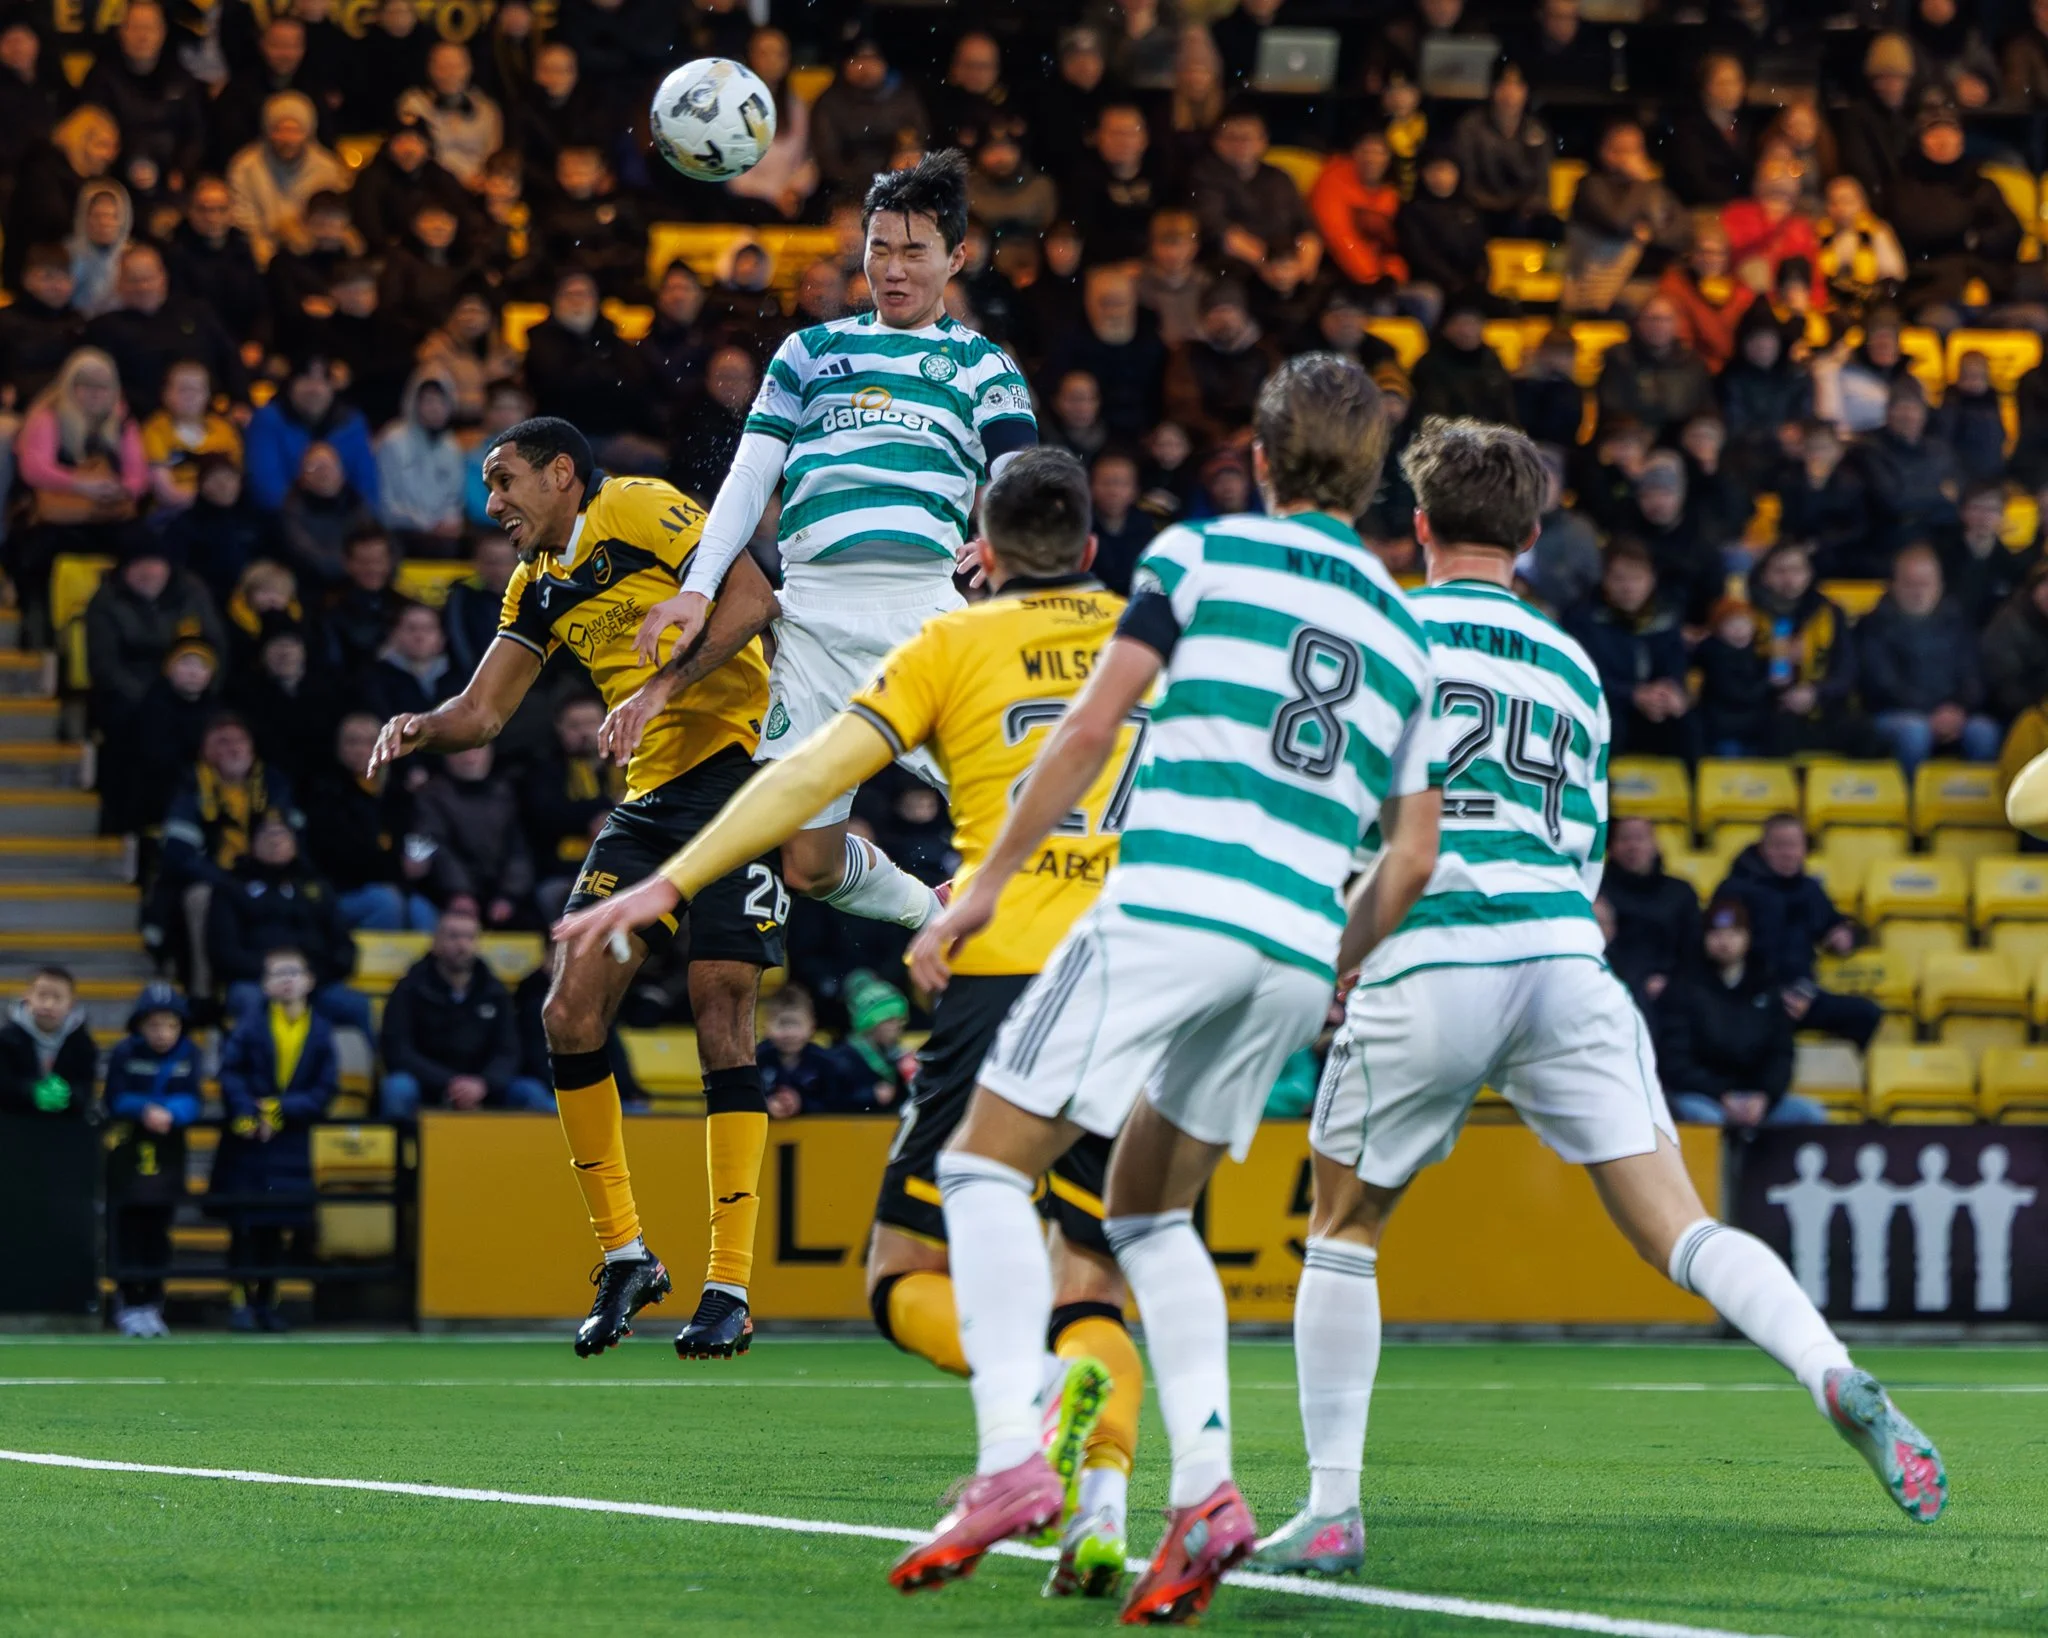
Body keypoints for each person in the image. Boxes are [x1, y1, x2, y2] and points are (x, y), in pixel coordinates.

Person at [1250, 418, 1944, 1584]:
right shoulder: (1574, 664)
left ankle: (1329, 1509)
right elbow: (1579, 855)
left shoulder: (1379, 631)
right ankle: (1826, 1365)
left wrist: (1328, 952)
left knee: (1342, 1232)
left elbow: (1336, 813)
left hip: (1431, 946)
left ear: (1416, 526)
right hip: (1565, 958)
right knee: (1682, 1229)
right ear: (1530, 535)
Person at [876, 355, 1431, 1617]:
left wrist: (981, 886)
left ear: (1260, 456)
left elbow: (1088, 729)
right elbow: (1411, 857)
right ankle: (1208, 1492)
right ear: (1371, 479)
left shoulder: (1197, 554)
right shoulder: (1406, 627)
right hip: (1292, 947)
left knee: (979, 1168)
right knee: (1143, 1217)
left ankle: (1010, 1459)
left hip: (1169, 908)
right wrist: (1330, 959)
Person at [554, 445, 1154, 1596]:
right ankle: (1103, 1512)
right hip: (1140, 979)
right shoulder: (1148, 644)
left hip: (1009, 973)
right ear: (1088, 547)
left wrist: (665, 882)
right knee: (1093, 1275)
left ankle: (1023, 1422)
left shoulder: (951, 643)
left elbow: (800, 783)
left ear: (980, 547)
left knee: (903, 1267)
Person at [366, 416, 783, 1362]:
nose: (493, 503)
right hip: (652, 803)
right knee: (567, 1010)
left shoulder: (634, 506)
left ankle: (729, 1285)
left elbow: (753, 597)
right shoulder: (535, 583)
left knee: (720, 1006)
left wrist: (659, 689)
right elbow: (483, 713)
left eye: (504, 480)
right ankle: (627, 1255)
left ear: (562, 473)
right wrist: (419, 726)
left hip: (748, 774)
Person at [633, 154, 1035, 950]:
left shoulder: (981, 362)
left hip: (921, 617)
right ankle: (933, 916)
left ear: (956, 257)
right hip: (811, 617)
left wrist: (1006, 532)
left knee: (1023, 807)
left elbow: (1019, 468)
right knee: (810, 867)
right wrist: (698, 587)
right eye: (880, 248)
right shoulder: (808, 351)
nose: (893, 268)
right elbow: (750, 474)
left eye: (914, 251)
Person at [209, 945, 338, 1332]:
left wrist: (279, 1110)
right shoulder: (248, 1026)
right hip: (247, 1139)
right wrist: (249, 1113)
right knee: (242, 1223)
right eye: (277, 974)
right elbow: (230, 1074)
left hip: (290, 1141)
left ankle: (267, 1302)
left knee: (276, 1225)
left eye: (293, 972)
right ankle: (239, 1301)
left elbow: (324, 1090)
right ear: (264, 985)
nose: (286, 980)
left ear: (309, 981)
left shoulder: (321, 1030)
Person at [1716, 813, 1884, 1052]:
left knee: (1866, 1014)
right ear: (1763, 848)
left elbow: (1837, 926)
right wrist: (1774, 995)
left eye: (1794, 845)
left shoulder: (1810, 889)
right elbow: (1718, 949)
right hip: (1750, 997)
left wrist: (1844, 936)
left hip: (1803, 994)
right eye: (1779, 846)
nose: (1788, 853)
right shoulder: (1734, 890)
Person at [1661, 899, 1829, 1129]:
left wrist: (1764, 1096)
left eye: (1734, 933)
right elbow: (1675, 1061)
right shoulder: (1683, 987)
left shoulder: (1766, 985)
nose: (1725, 941)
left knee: (1809, 1114)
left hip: (1757, 1098)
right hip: (1704, 1097)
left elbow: (1780, 1053)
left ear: (1748, 937)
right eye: (1716, 933)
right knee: (1707, 1119)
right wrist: (1722, 1095)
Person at [378, 905, 551, 1116]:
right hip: (428, 1084)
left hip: (484, 1087)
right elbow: (398, 1051)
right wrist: (450, 1082)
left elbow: (508, 1051)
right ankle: (403, 1138)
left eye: (469, 937)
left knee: (531, 1092)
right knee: (398, 1088)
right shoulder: (409, 989)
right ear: (435, 943)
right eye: (453, 937)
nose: (462, 945)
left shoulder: (495, 992)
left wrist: (484, 1083)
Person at [101, 981, 203, 1337]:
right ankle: (128, 1301)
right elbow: (114, 1097)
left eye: (170, 1025)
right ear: (140, 1025)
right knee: (126, 1229)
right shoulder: (125, 1053)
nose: (162, 1033)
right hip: (127, 1154)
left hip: (168, 1155)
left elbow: (193, 1099)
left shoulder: (189, 1054)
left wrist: (172, 1113)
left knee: (158, 1230)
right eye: (154, 1025)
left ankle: (152, 1303)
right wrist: (144, 1110)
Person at [207, 808, 366, 1035]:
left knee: (356, 1005)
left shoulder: (316, 886)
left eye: (281, 833)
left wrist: (310, 975)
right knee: (248, 1000)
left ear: (294, 840)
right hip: (256, 981)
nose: (275, 841)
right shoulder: (232, 886)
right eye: (267, 834)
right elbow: (222, 952)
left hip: (313, 981)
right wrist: (272, 972)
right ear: (252, 842)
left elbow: (344, 949)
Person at [1857, 545, 2001, 772]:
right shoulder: (1873, 625)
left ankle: (1971, 796)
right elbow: (1882, 683)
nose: (1918, 592)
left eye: (1925, 584)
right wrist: (1930, 713)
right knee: (1915, 732)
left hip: (1952, 713)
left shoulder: (1958, 622)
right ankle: (1909, 793)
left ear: (1940, 586)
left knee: (1984, 732)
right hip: (1894, 713)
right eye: (1910, 584)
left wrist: (1958, 709)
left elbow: (1972, 675)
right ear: (1894, 585)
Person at [0, 966, 95, 1118]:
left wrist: (69, 1095)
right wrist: (31, 1091)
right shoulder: (6, 1039)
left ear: (71, 1003)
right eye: (42, 995)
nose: (48, 1005)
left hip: (64, 1124)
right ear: (27, 996)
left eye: (57, 997)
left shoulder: (82, 1043)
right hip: (15, 1122)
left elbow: (86, 1090)